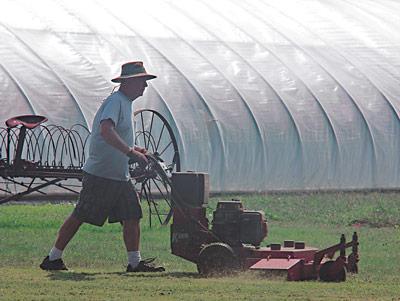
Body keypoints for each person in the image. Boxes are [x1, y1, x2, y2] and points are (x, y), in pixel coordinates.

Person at [40, 61, 164, 272]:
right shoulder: (116, 102)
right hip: (102, 174)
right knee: (81, 214)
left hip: (119, 175)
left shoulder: (125, 103)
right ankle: (52, 259)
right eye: (142, 82)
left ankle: (135, 263)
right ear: (129, 82)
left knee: (132, 214)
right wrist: (130, 152)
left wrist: (137, 150)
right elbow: (106, 131)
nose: (145, 86)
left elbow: (118, 135)